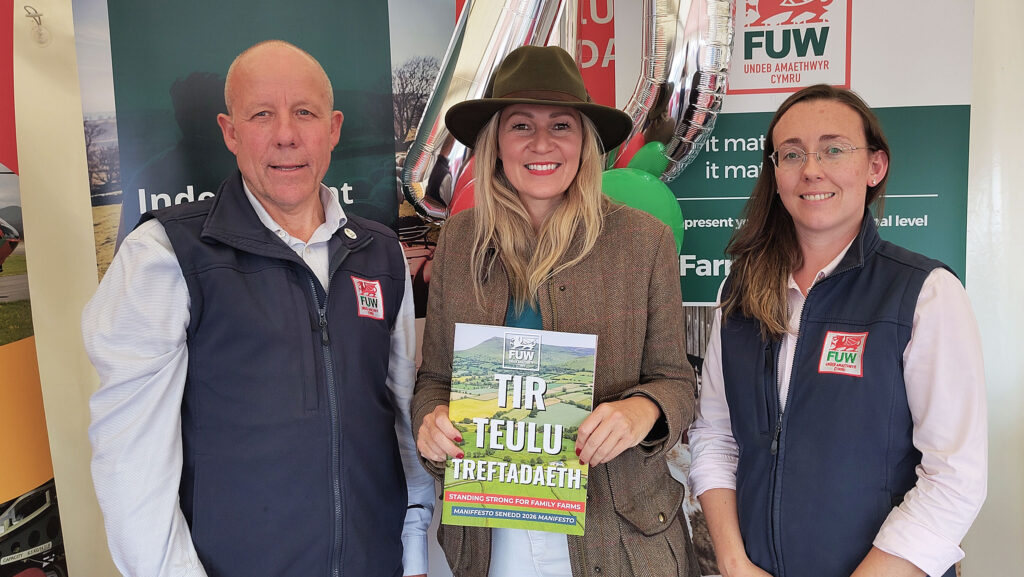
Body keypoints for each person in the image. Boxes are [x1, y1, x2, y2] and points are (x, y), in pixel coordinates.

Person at [82, 40, 433, 577]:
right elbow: (130, 462)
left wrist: (411, 554)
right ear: (230, 131)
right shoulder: (165, 257)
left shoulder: (380, 253)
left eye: (305, 113)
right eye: (262, 114)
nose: (287, 135)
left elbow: (403, 423)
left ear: (333, 128)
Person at [412, 45, 700, 577]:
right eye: (520, 125)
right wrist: (430, 422)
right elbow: (434, 379)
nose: (541, 144)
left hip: (617, 536)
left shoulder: (643, 242)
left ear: (584, 141)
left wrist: (642, 411)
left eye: (561, 125)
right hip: (492, 535)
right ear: (495, 141)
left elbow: (677, 382)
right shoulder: (458, 242)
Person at [687, 84, 987, 577]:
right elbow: (716, 438)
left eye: (834, 149)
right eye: (791, 154)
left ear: (875, 167)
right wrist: (734, 562)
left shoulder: (925, 293)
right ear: (775, 173)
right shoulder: (740, 291)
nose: (811, 169)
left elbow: (955, 479)